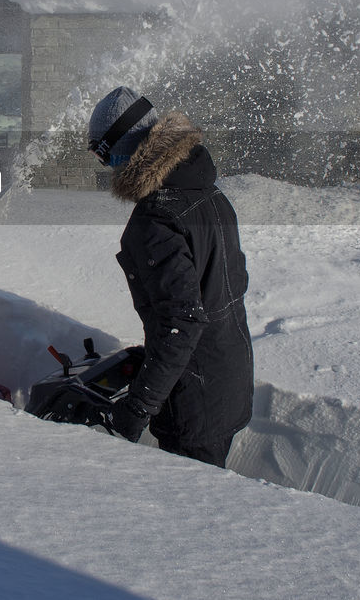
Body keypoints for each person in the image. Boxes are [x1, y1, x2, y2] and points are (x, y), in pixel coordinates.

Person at [88, 86, 254, 468]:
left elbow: (183, 321)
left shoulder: (155, 221)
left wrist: (138, 407)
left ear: (122, 149)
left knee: (194, 518)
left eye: (103, 155)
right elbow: (220, 291)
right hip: (229, 377)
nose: (107, 168)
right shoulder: (209, 193)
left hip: (194, 401)